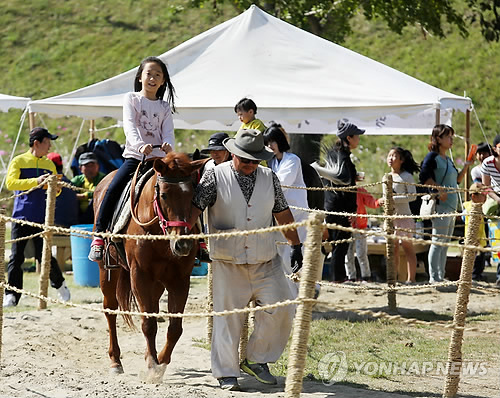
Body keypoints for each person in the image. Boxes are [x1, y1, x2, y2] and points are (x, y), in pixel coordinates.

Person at [188, 129, 302, 391]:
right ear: (234, 154)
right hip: (228, 261)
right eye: (246, 160)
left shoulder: (269, 177)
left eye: (256, 160)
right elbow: (194, 210)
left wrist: (296, 244)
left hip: (265, 259)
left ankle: (257, 359)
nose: (251, 165)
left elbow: (282, 212)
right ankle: (226, 373)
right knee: (228, 318)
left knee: (282, 307)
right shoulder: (214, 175)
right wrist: (193, 241)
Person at [89, 56, 176, 261]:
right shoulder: (132, 98)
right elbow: (130, 126)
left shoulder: (164, 107)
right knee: (113, 188)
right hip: (136, 158)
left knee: (183, 189)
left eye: (158, 75)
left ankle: (197, 241)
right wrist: (140, 146)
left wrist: (167, 144)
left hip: (159, 160)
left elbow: (169, 132)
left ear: (163, 81)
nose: (153, 78)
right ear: (140, 77)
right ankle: (99, 237)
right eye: (149, 74)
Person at [3, 127, 71, 307]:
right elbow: (10, 183)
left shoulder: (49, 164)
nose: (49, 147)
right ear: (37, 143)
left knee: (45, 256)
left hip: (43, 218)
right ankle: (11, 295)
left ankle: (60, 285)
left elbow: (56, 192)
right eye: (47, 142)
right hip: (21, 217)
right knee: (17, 258)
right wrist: (37, 182)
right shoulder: (19, 160)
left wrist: (55, 188)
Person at [311, 120, 364, 282]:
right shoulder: (343, 157)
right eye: (357, 137)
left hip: (331, 204)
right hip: (340, 207)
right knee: (341, 245)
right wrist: (351, 210)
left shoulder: (334, 154)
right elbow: (344, 182)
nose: (359, 140)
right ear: (349, 138)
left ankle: (337, 277)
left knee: (337, 244)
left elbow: (341, 179)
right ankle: (338, 278)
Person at [419, 124, 471, 283]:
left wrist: (467, 164)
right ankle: (434, 278)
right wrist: (438, 189)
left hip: (451, 204)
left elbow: (456, 180)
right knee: (437, 241)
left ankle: (440, 276)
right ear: (438, 138)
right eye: (448, 137)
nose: (451, 140)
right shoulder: (432, 157)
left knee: (445, 242)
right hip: (440, 206)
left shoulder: (447, 159)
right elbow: (423, 177)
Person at [263, 123, 311, 296]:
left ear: (280, 141)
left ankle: (299, 297)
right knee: (280, 258)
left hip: (297, 216)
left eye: (272, 142)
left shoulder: (292, 160)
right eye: (267, 143)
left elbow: (281, 184)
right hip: (280, 217)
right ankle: (289, 297)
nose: (270, 146)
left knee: (295, 257)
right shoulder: (272, 162)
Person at [379, 147, 420, 283]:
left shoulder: (407, 176)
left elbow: (413, 196)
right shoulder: (386, 177)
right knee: (392, 249)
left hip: (404, 217)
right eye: (389, 155)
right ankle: (393, 278)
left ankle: (411, 279)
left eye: (394, 156)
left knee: (408, 248)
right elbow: (386, 197)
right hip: (390, 218)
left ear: (401, 160)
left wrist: (392, 199)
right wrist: (382, 201)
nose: (390, 158)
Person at [345, 182, 380, 282]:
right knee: (348, 255)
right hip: (346, 227)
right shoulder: (342, 190)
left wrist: (378, 202)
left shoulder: (360, 190)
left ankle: (366, 276)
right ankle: (351, 277)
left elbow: (371, 202)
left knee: (361, 253)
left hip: (360, 227)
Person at [462, 183, 488, 281]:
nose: (485, 197)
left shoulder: (481, 208)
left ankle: (478, 274)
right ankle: (473, 276)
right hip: (474, 238)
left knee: (481, 258)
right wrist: (474, 238)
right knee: (474, 259)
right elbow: (470, 226)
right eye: (482, 195)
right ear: (474, 196)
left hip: (481, 238)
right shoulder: (470, 209)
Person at [70, 152, 106, 224]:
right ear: (80, 168)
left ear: (98, 166)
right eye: (87, 166)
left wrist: (83, 196)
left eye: (92, 165)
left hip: (96, 215)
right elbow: (68, 187)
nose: (90, 169)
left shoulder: (103, 178)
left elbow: (96, 191)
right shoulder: (78, 180)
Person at [47, 152, 79, 228]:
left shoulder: (48, 184)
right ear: (61, 166)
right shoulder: (70, 184)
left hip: (52, 227)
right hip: (71, 227)